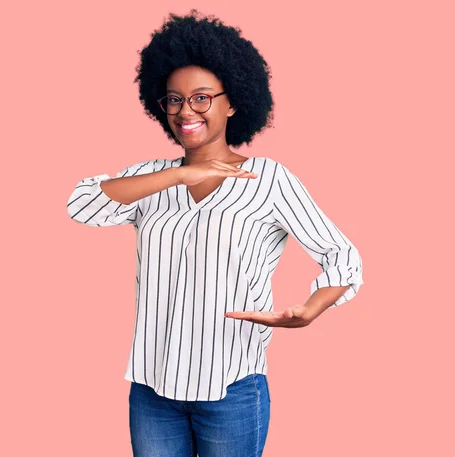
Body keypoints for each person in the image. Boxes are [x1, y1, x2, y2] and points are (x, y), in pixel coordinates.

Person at [66, 9, 363, 457]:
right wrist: (179, 176)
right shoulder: (151, 179)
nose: (186, 111)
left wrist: (310, 309)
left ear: (233, 102)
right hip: (152, 391)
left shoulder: (269, 180)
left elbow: (342, 256)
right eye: (174, 99)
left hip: (231, 389)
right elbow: (81, 203)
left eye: (202, 98)